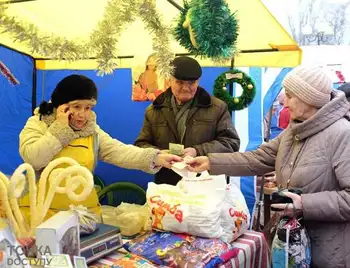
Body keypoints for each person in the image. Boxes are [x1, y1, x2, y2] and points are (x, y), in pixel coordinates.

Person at [186, 66, 350, 267]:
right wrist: (211, 162)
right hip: (291, 247)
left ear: (309, 99)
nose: (283, 101)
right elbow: (260, 158)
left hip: (328, 254)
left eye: (289, 96)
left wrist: (304, 204)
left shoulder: (343, 134)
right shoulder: (295, 130)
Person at [19, 74, 181, 220]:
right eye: (76, 107)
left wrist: (156, 157)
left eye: (88, 107)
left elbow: (119, 152)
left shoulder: (91, 130)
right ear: (61, 106)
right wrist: (60, 130)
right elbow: (33, 158)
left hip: (80, 214)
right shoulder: (38, 123)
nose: (83, 114)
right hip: (41, 214)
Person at [135, 56, 240, 185]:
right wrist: (159, 154)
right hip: (167, 185)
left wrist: (197, 151)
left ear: (198, 81)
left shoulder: (217, 108)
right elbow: (141, 145)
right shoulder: (154, 110)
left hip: (205, 183)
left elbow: (231, 143)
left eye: (191, 83)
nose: (185, 88)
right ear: (169, 80)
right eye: (179, 82)